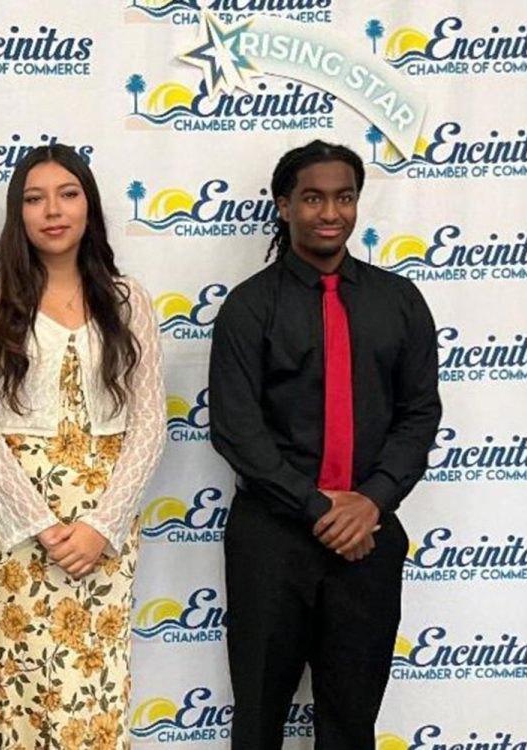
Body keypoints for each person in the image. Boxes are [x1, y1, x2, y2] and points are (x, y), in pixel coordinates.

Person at [209, 140, 442, 750]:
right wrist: (320, 509)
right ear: (285, 206)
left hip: (369, 537)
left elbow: (419, 416)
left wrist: (370, 502)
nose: (329, 212)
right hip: (273, 537)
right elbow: (237, 430)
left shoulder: (400, 303)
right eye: (312, 198)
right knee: (258, 719)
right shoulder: (248, 308)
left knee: (350, 722)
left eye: (344, 197)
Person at [0, 144, 166, 749]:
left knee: (92, 695)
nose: (53, 210)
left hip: (106, 527)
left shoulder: (129, 301)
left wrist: (103, 523)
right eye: (34, 197)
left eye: (68, 194)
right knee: (12, 686)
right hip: (13, 527)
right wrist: (40, 524)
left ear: (90, 206)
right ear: (17, 213)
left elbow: (150, 423)